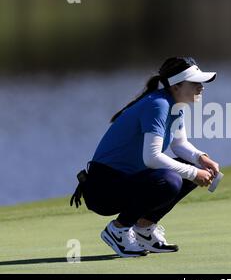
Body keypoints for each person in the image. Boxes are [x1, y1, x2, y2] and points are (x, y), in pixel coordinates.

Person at [70, 57, 220, 258]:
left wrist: (201, 159)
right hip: (103, 190)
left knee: (187, 171)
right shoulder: (158, 105)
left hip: (125, 182)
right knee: (171, 180)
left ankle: (144, 230)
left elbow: (179, 144)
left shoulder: (174, 105)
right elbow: (152, 158)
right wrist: (194, 172)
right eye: (195, 83)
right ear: (176, 86)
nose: (201, 88)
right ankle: (118, 230)